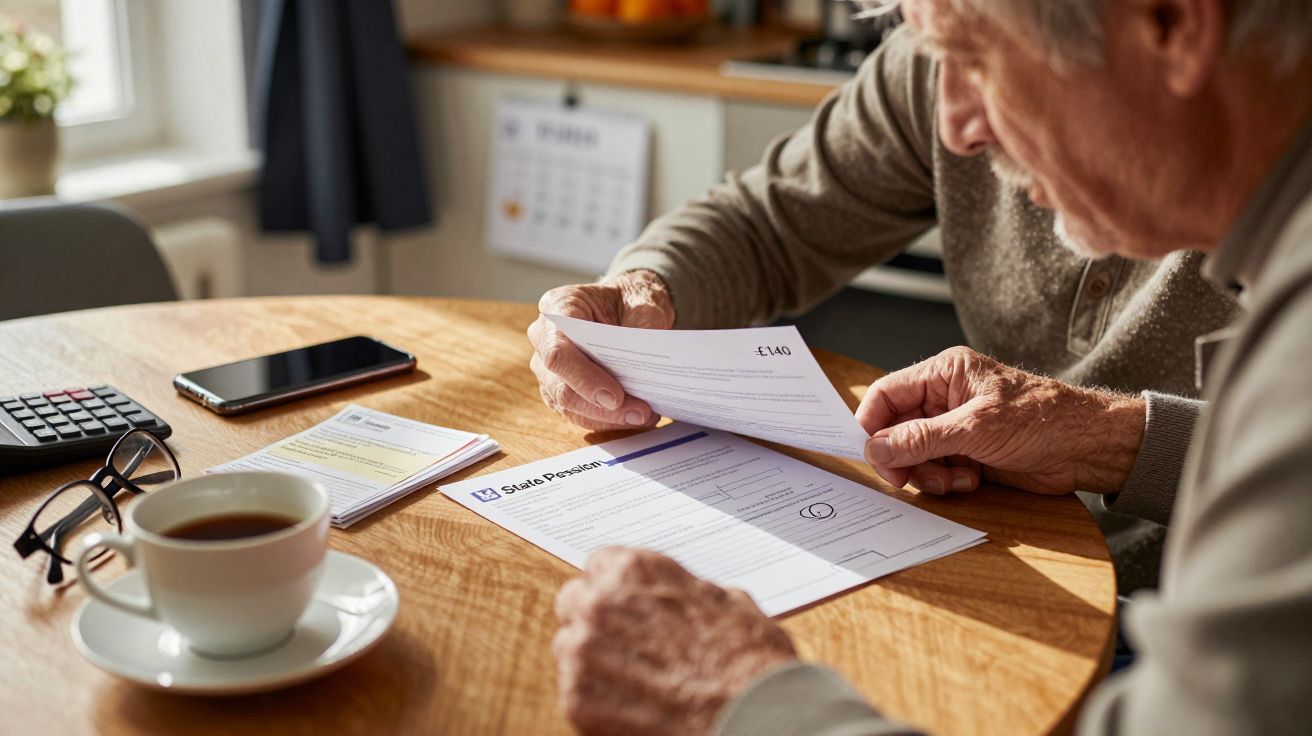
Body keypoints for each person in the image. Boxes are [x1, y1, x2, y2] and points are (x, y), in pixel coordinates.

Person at [549, 0, 1312, 733]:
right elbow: (764, 221)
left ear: (1172, 23)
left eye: (973, 59)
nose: (950, 125)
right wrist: (641, 292)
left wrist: (734, 703)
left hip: (1157, 622)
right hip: (1029, 591)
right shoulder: (957, 36)